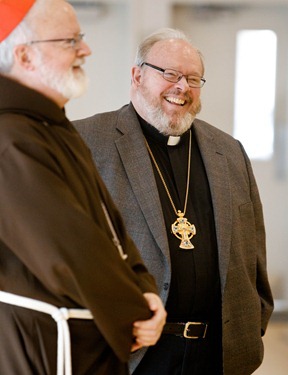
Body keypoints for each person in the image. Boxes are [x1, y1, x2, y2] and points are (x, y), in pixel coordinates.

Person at [74, 27, 274, 375]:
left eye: (193, 78)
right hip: (133, 354)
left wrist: (254, 319)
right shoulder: (86, 142)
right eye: (169, 74)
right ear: (137, 76)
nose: (182, 87)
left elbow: (253, 248)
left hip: (218, 353)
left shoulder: (228, 150)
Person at [0, 2, 166, 374]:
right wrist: (136, 311)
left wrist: (145, 287)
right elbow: (68, 249)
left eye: (82, 38)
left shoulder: (51, 126)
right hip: (49, 347)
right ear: (25, 55)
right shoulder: (10, 138)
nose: (85, 50)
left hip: (90, 336)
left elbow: (112, 228)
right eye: (69, 40)